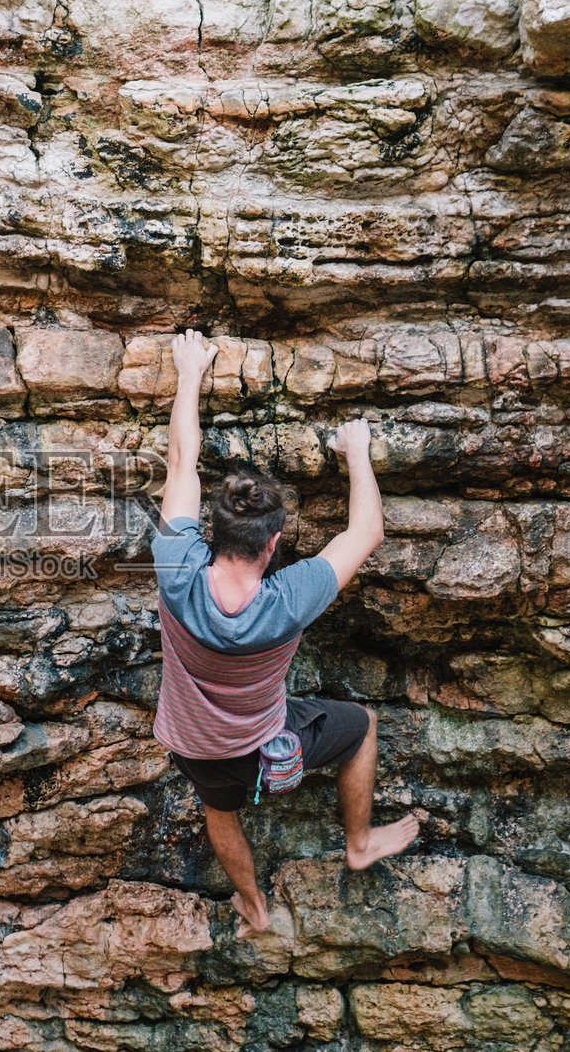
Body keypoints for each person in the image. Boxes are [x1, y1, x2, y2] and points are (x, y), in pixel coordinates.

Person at [151, 327, 419, 934]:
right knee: (361, 727)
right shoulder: (290, 599)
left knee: (220, 808)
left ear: (210, 534)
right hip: (255, 744)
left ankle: (254, 904)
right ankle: (358, 842)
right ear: (274, 545)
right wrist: (356, 450)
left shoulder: (175, 570)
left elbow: (180, 464)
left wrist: (190, 369)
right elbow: (365, 533)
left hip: (190, 744)